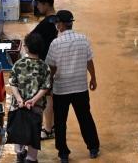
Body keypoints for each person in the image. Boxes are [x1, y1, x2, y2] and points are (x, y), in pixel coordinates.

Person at [46, 10, 100, 163]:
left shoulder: (56, 43)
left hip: (61, 89)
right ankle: (93, 148)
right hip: (80, 88)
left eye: (57, 23)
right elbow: (89, 61)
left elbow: (52, 68)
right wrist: (93, 78)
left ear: (61, 25)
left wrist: (48, 85)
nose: (56, 25)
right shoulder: (83, 39)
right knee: (85, 118)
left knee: (61, 122)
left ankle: (63, 153)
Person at [9, 32, 52, 163]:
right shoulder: (44, 66)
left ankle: (20, 154)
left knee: (19, 128)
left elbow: (13, 82)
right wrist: (34, 100)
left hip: (18, 105)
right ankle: (31, 158)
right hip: (36, 106)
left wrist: (18, 98)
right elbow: (46, 86)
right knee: (34, 131)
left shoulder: (18, 64)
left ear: (26, 48)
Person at [31, 0, 59, 139]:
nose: (37, 7)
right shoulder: (56, 20)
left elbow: (31, 38)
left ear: (46, 4)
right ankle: (51, 124)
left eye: (39, 4)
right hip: (54, 62)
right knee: (51, 97)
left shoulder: (45, 24)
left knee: (48, 98)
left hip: (46, 64)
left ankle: (48, 129)